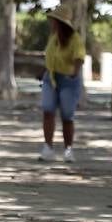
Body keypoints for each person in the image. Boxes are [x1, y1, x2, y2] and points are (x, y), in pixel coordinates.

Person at [40, 10, 85, 163]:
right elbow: (49, 56)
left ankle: (68, 149)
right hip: (50, 78)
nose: (50, 23)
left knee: (67, 116)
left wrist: (74, 73)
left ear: (60, 23)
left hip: (68, 80)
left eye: (53, 20)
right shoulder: (53, 37)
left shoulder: (74, 38)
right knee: (47, 110)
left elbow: (79, 57)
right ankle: (48, 147)